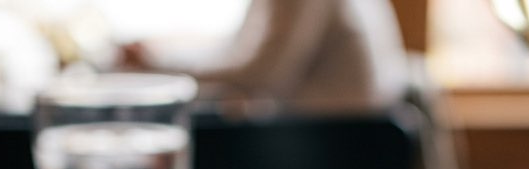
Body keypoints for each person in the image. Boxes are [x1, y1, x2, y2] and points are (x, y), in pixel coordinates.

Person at [122, 0, 410, 115]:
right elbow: (238, 50)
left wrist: (157, 65)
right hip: (329, 126)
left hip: (338, 134)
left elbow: (260, 73)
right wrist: (159, 57)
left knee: (197, 128)